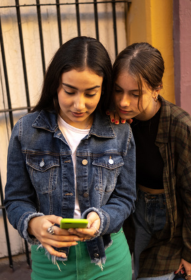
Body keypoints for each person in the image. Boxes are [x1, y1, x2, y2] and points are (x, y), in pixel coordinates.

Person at [4, 36, 136, 280]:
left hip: (108, 261)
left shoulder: (120, 131)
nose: (79, 104)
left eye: (90, 93)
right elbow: (15, 200)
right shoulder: (26, 131)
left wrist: (101, 219)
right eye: (70, 91)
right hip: (50, 263)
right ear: (56, 84)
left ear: (103, 89)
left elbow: (126, 197)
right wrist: (34, 225)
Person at [109, 42, 191, 280]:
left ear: (157, 89)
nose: (123, 102)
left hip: (171, 218)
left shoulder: (180, 127)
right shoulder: (116, 121)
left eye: (135, 94)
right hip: (134, 213)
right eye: (118, 91)